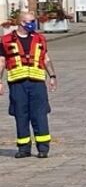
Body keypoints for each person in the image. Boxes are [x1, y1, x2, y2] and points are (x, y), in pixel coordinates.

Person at [1, 11, 57, 158]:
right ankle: (24, 148)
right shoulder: (6, 40)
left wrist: (52, 76)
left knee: (40, 115)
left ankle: (43, 148)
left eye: (33, 20)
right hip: (17, 84)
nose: (33, 23)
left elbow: (45, 58)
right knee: (20, 115)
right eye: (29, 21)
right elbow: (1, 62)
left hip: (37, 83)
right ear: (20, 23)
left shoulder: (39, 39)